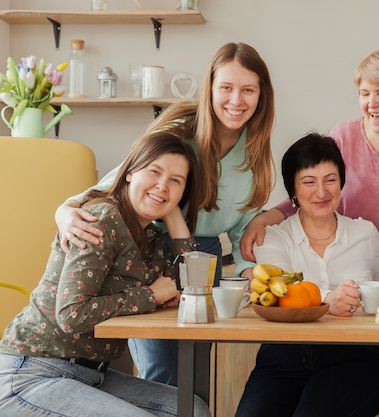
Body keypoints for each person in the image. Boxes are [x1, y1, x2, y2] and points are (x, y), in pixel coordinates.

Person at [241, 50, 379, 417]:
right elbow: (311, 185)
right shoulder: (343, 136)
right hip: (346, 298)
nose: (371, 103)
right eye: (364, 92)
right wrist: (267, 217)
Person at [54, 42, 276, 385]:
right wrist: (65, 210)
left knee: (197, 377)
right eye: (226, 88)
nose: (236, 100)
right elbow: (120, 181)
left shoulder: (256, 149)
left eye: (248, 90)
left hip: (206, 260)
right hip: (151, 253)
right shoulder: (177, 131)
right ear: (210, 89)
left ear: (262, 96)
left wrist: (249, 267)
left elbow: (244, 222)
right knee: (164, 371)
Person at [0, 132, 210, 417]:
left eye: (176, 181)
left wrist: (173, 216)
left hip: (91, 374)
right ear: (129, 173)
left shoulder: (149, 236)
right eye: (154, 172)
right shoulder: (101, 218)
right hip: (33, 370)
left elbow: (191, 284)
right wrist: (150, 295)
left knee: (191, 409)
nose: (162, 186)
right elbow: (72, 313)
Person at [235, 133, 379, 417]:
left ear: (341, 183)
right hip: (283, 358)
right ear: (292, 191)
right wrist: (329, 300)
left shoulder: (364, 233)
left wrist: (368, 302)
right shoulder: (272, 238)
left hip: (355, 358)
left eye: (330, 180)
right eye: (309, 182)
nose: (321, 192)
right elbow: (276, 295)